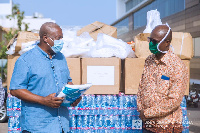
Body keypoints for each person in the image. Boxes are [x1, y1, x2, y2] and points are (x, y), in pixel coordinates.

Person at [10, 22, 81, 133]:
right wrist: (43, 100)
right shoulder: (26, 60)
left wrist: (74, 95)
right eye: (58, 38)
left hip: (62, 125)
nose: (61, 42)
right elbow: (15, 90)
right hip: (37, 126)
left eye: (62, 38)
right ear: (45, 38)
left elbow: (67, 81)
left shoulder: (61, 57)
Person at [137, 24, 189, 133]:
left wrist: (147, 113)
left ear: (167, 43)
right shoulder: (149, 60)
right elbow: (141, 86)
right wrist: (140, 108)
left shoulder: (177, 66)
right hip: (147, 124)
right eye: (150, 40)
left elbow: (174, 101)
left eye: (154, 41)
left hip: (166, 127)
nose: (151, 44)